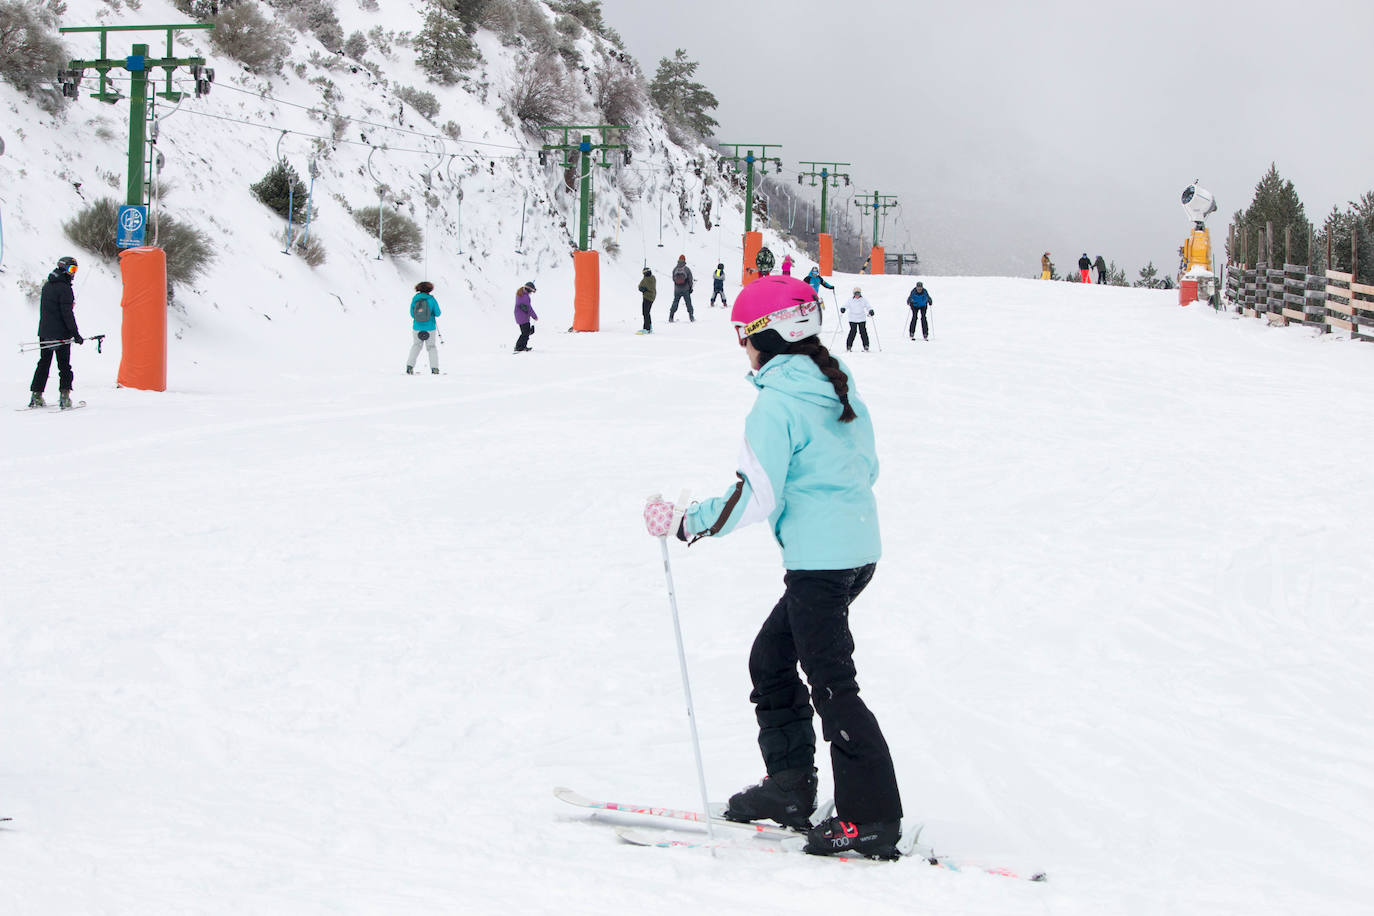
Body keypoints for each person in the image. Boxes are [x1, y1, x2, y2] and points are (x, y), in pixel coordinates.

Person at [641, 275, 903, 860]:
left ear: (771, 334)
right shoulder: (836, 386)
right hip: (856, 555)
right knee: (771, 659)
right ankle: (789, 790)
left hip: (821, 566)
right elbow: (870, 467)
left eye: (742, 335)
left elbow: (756, 497)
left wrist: (688, 521)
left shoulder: (778, 403)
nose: (742, 347)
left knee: (833, 684)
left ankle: (871, 818)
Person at [29, 256, 83, 409]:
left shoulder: (47, 286)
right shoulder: (65, 288)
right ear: (63, 268)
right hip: (61, 334)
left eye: (75, 270)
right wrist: (76, 334)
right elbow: (67, 314)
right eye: (71, 269)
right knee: (64, 366)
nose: (73, 273)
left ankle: (36, 395)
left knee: (43, 364)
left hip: (45, 332)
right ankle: (64, 397)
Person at [405, 281, 441, 374]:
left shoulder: (415, 299)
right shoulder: (431, 299)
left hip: (417, 327)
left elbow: (412, 314)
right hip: (430, 328)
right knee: (431, 347)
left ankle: (409, 366)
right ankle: (434, 369)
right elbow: (438, 313)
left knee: (416, 346)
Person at [841, 287, 872, 352]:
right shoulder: (850, 300)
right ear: (853, 294)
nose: (857, 295)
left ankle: (866, 346)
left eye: (858, 293)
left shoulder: (863, 300)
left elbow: (868, 306)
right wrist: (843, 308)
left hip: (861, 318)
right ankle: (849, 346)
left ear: (860, 293)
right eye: (856, 293)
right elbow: (845, 305)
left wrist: (870, 310)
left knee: (863, 332)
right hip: (853, 319)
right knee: (853, 332)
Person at [668, 255, 694, 322]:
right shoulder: (687, 269)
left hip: (677, 290)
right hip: (686, 289)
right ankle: (691, 317)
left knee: (675, 302)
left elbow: (673, 279)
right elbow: (690, 279)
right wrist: (690, 287)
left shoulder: (675, 269)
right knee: (688, 303)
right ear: (684, 260)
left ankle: (671, 316)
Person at [514, 281, 538, 352]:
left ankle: (522, 346)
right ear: (529, 289)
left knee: (525, 332)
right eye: (531, 291)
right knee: (525, 333)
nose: (531, 293)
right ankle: (519, 347)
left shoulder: (520, 293)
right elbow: (528, 308)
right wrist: (534, 316)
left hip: (519, 316)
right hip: (523, 317)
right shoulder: (525, 297)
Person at [637, 267, 657, 334]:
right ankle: (650, 327)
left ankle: (646, 328)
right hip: (652, 297)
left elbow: (640, 287)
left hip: (647, 297)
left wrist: (643, 289)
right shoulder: (653, 278)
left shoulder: (645, 279)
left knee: (645, 313)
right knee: (647, 312)